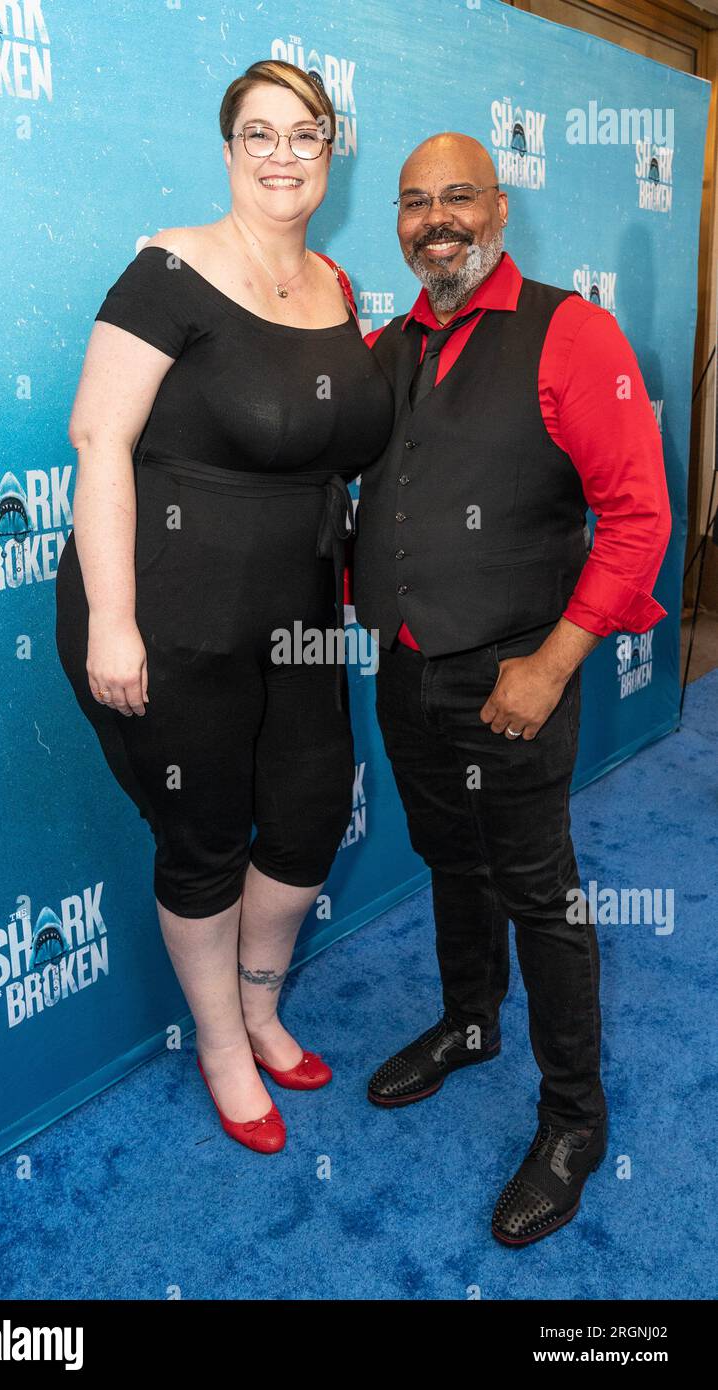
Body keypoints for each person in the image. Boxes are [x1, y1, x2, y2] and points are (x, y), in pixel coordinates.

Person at [55, 60, 394, 1155]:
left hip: (296, 608)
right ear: (229, 148)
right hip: (170, 607)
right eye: (260, 134)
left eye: (305, 134)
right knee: (202, 837)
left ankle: (260, 1006)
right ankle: (218, 1040)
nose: (283, 154)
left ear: (330, 152)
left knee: (300, 822)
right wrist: (115, 618)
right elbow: (99, 439)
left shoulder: (337, 287)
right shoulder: (171, 267)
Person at [351, 132, 671, 1243]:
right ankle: (469, 1021)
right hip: (407, 670)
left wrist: (550, 664)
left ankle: (576, 1119)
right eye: (414, 203)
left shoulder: (570, 333)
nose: (436, 220)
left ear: (499, 209)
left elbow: (640, 519)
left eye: (458, 199)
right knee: (450, 860)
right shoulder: (394, 345)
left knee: (542, 891)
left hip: (515, 681)